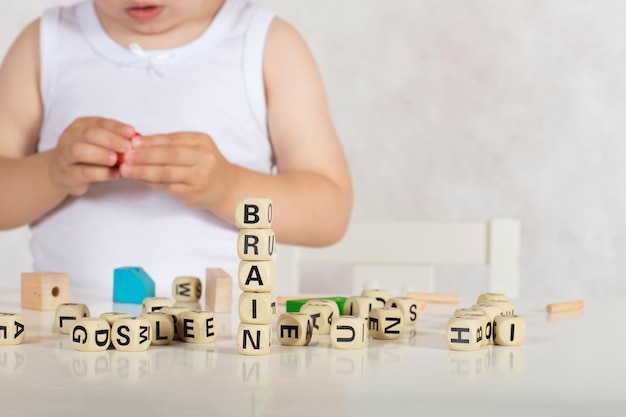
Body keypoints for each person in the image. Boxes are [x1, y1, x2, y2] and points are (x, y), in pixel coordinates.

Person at [0, 0, 353, 296]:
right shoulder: (46, 42)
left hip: (222, 345)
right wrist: (50, 173)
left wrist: (227, 188)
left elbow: (329, 212)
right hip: (66, 344)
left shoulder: (268, 45)